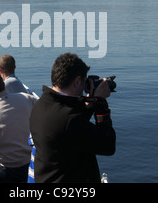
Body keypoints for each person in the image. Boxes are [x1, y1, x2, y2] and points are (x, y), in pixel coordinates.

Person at [29, 53, 116, 183]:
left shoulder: (42, 105)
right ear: (76, 81)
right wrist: (100, 104)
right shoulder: (68, 120)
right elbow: (108, 145)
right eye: (83, 82)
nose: (84, 88)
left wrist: (90, 105)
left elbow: (70, 131)